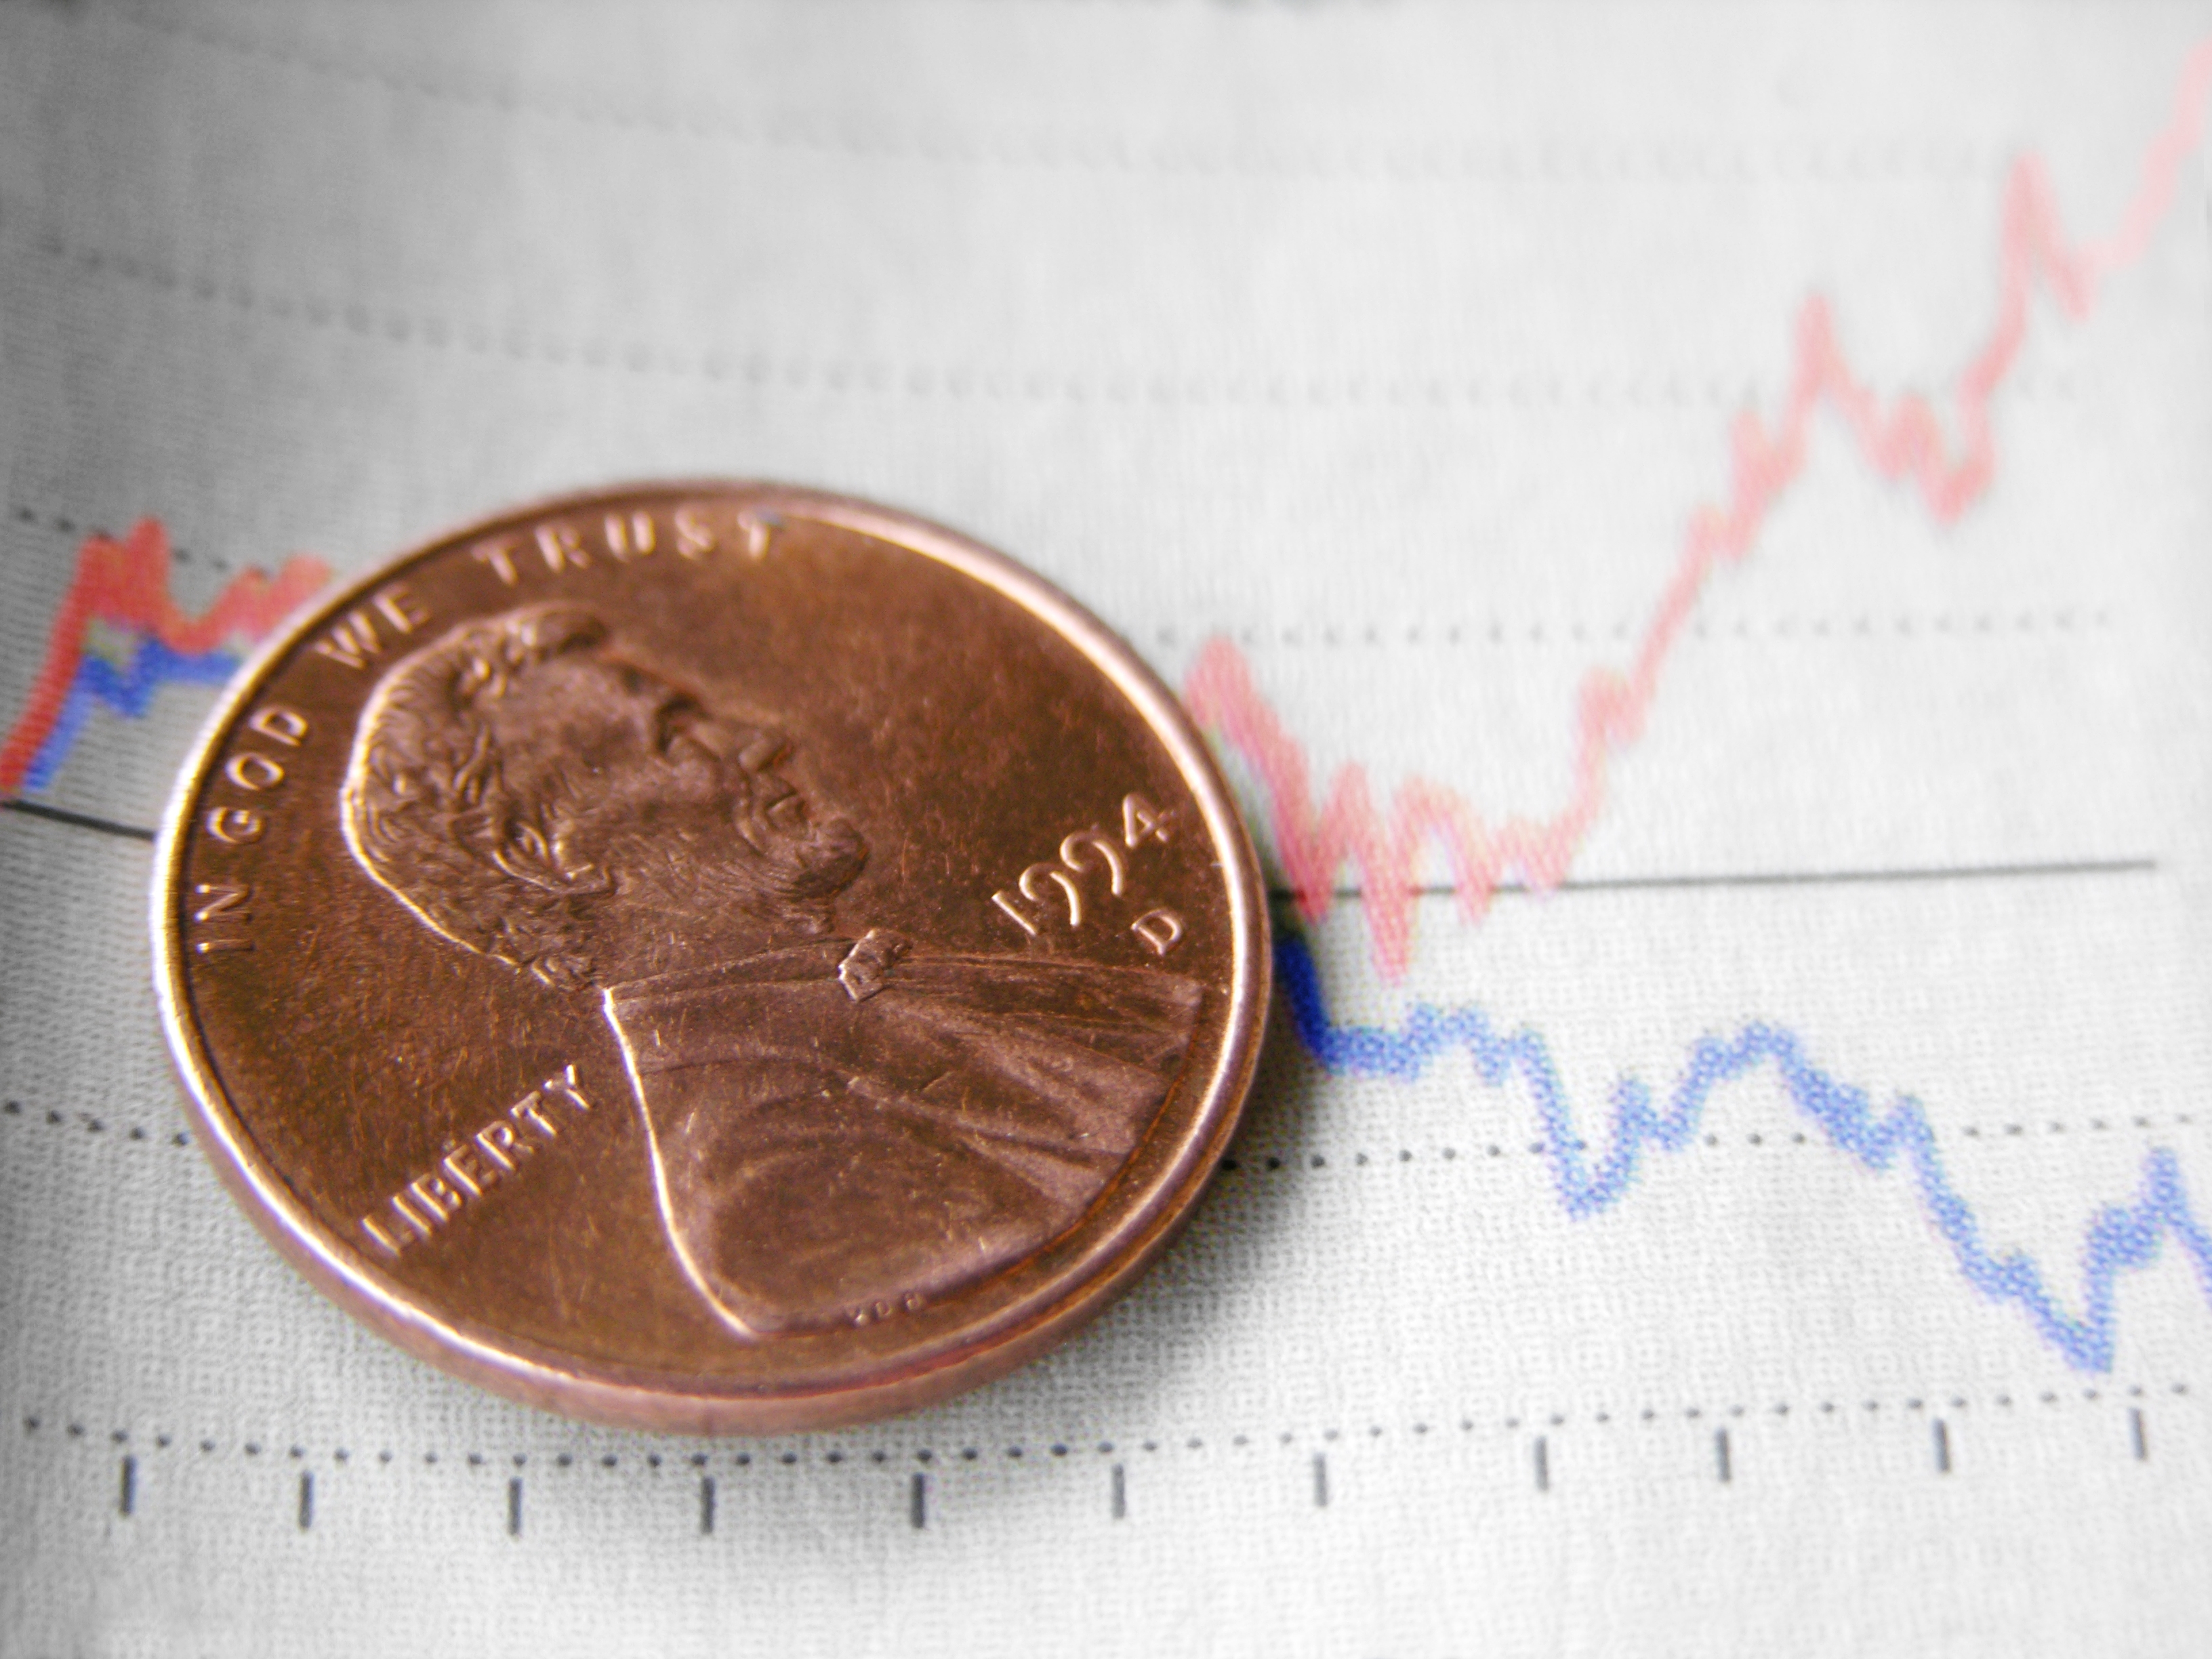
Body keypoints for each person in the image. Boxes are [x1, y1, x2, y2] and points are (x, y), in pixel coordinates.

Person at [341, 603, 1202, 1338]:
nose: (761, 739)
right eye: (675, 734)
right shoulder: (775, 1202)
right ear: (548, 858)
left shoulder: (880, 994)